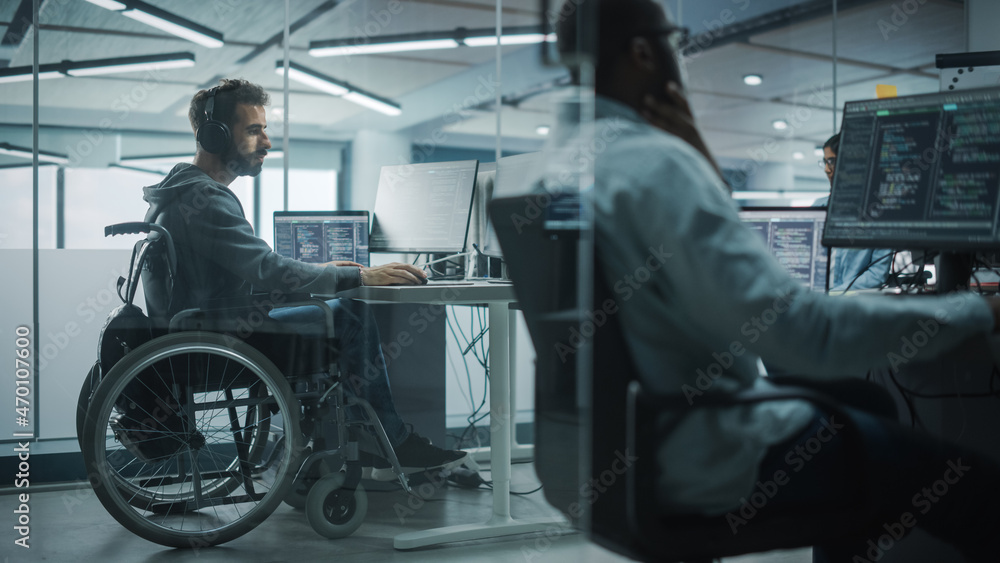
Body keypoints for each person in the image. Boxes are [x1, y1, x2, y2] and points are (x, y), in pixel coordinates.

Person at [552, 1, 1000, 561]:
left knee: (865, 400)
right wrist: (977, 312)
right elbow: (796, 333)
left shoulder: (560, 166)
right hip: (703, 456)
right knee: (975, 488)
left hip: (597, 455)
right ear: (645, 51)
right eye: (674, 38)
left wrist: (700, 166)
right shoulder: (653, 167)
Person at [139, 78, 467, 480]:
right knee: (348, 315)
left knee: (327, 305)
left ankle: (341, 443)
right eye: (254, 130)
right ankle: (390, 440)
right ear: (215, 135)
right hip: (220, 341)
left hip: (200, 329)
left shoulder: (176, 191)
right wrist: (353, 278)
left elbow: (244, 274)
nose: (267, 143)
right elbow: (267, 269)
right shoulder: (205, 198)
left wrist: (337, 272)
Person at [815, 133, 893, 292]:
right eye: (824, 162)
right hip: (814, 302)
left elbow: (877, 274)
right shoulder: (817, 207)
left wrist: (834, 296)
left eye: (832, 161)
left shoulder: (879, 212)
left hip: (850, 305)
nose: (826, 169)